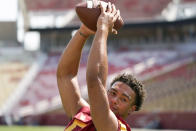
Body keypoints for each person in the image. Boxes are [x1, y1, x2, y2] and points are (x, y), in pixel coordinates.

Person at [56, 2, 146, 131]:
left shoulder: (116, 128)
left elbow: (95, 81)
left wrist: (102, 28)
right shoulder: (84, 115)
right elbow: (65, 76)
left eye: (124, 99)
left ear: (131, 109)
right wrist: (83, 31)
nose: (114, 100)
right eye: (113, 93)